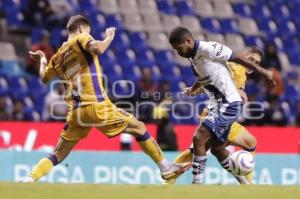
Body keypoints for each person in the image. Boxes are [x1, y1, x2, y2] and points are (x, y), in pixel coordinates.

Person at [24, 15, 190, 183]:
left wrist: (43, 59)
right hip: (96, 105)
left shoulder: (57, 57)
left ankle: (30, 179)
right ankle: (165, 168)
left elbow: (44, 78)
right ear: (82, 28)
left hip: (75, 112)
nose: (89, 34)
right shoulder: (82, 37)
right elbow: (98, 48)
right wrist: (109, 36)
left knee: (58, 152)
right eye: (89, 31)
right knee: (138, 127)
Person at [168, 27, 275, 184]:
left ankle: (194, 184)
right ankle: (246, 184)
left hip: (227, 105)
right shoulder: (194, 57)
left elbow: (235, 58)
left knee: (199, 140)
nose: (179, 53)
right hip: (219, 106)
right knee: (217, 149)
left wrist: (263, 72)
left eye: (180, 48)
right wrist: (194, 88)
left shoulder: (208, 48)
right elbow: (208, 74)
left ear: (189, 41)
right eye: (176, 50)